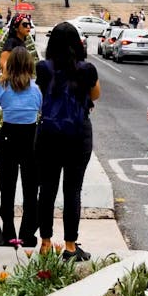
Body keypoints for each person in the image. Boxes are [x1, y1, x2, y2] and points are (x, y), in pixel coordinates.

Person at [35, 21, 101, 261]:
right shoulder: (86, 69)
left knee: (47, 189)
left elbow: (42, 94)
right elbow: (96, 95)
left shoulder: (43, 67)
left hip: (49, 133)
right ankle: (71, 246)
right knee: (73, 190)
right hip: (78, 133)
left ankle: (45, 243)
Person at [0, 46, 42, 246]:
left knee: (7, 188)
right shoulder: (36, 88)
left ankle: (8, 233)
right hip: (30, 137)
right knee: (30, 190)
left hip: (8, 137)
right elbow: (41, 108)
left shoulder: (1, 86)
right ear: (30, 65)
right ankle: (27, 234)